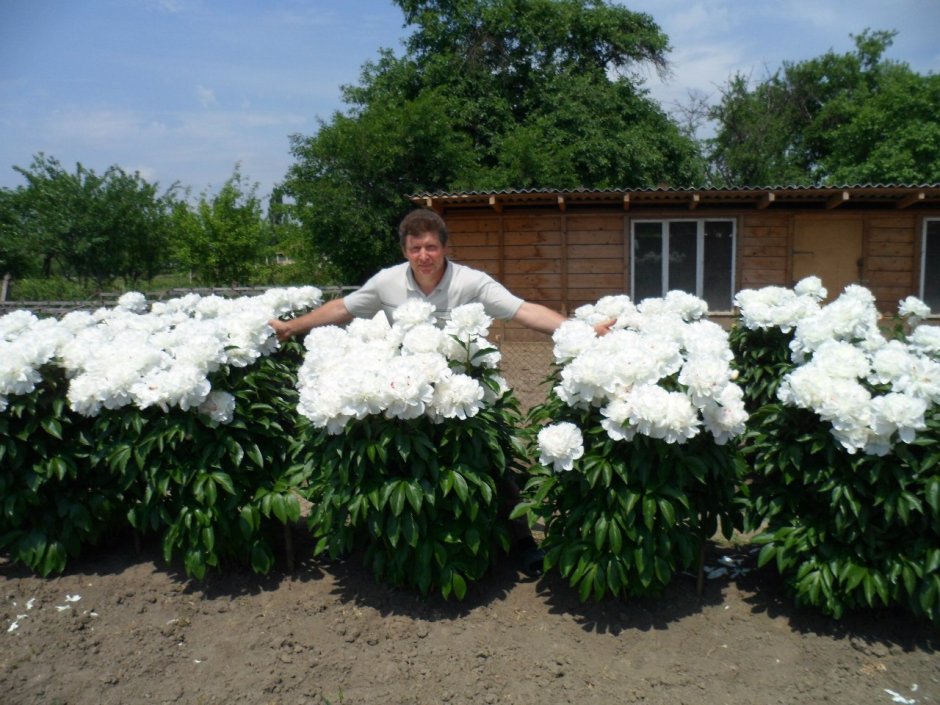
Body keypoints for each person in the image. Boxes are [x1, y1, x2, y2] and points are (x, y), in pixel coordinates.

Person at [269, 208, 610, 576]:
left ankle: (521, 541)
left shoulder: (472, 283)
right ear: (405, 250)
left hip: (465, 393)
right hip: (405, 397)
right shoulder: (387, 282)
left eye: (431, 247)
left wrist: (579, 332)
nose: (424, 256)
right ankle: (372, 539)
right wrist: (291, 327)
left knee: (495, 462)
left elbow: (523, 310)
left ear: (446, 247)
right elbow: (342, 307)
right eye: (416, 248)